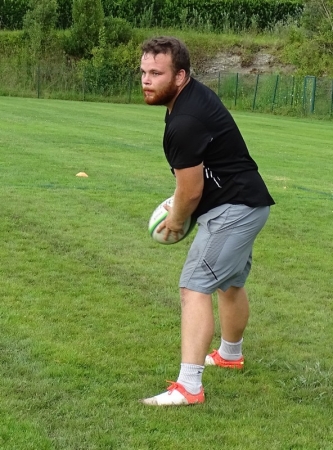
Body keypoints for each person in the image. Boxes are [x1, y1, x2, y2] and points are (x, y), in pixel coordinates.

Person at [140, 36, 275, 406]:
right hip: (248, 202)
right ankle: (230, 356)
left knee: (194, 286)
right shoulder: (188, 101)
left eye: (157, 73)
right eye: (144, 72)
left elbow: (190, 191)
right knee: (228, 282)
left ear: (180, 76)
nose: (147, 80)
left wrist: (176, 222)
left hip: (234, 208)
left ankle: (189, 387)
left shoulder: (184, 120)